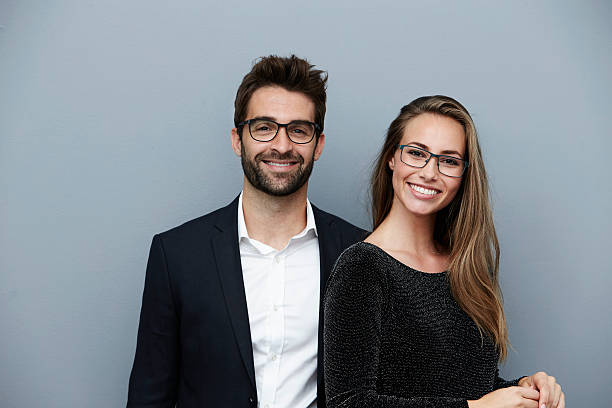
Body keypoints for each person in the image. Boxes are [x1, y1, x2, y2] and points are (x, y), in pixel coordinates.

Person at [127, 55, 366, 408]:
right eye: (264, 127)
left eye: (299, 130)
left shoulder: (360, 253)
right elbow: (150, 397)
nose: (282, 145)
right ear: (238, 140)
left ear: (319, 145)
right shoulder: (176, 255)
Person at [323, 95, 565, 408]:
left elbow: (467, 386)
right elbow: (348, 404)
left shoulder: (468, 268)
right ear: (391, 158)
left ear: (464, 175)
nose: (429, 172)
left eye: (448, 161)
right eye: (416, 153)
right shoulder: (362, 267)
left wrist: (523, 389)